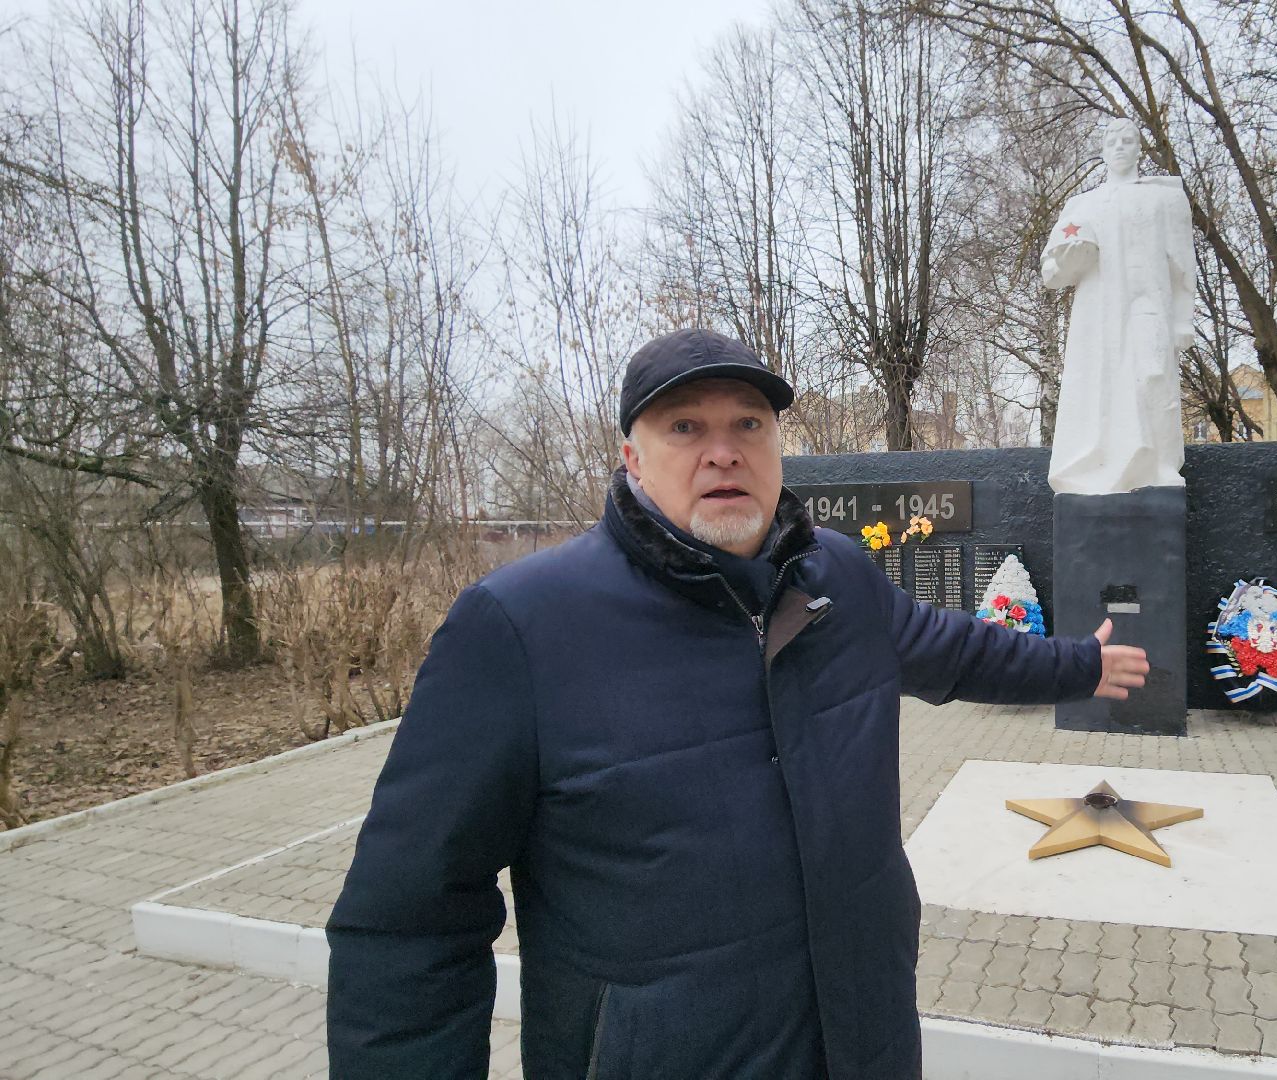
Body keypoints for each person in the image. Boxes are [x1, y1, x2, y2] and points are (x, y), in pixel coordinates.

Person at [325, 328, 1150, 1079]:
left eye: (748, 424)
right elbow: (409, 925)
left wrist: (1081, 665)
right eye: (685, 427)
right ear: (631, 457)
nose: (723, 451)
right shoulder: (520, 628)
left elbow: (958, 651)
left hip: (865, 1041)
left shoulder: (839, 577)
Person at [1042, 117, 1199, 496]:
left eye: (1128, 141)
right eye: (1113, 142)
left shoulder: (1163, 197)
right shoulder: (1082, 205)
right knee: (1101, 388)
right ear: (1103, 151)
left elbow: (1183, 266)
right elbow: (1051, 270)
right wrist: (1073, 256)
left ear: (1139, 148)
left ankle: (1158, 465)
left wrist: (1183, 319)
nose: (1120, 148)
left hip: (1148, 303)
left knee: (1153, 377)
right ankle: (1097, 466)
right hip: (1098, 315)